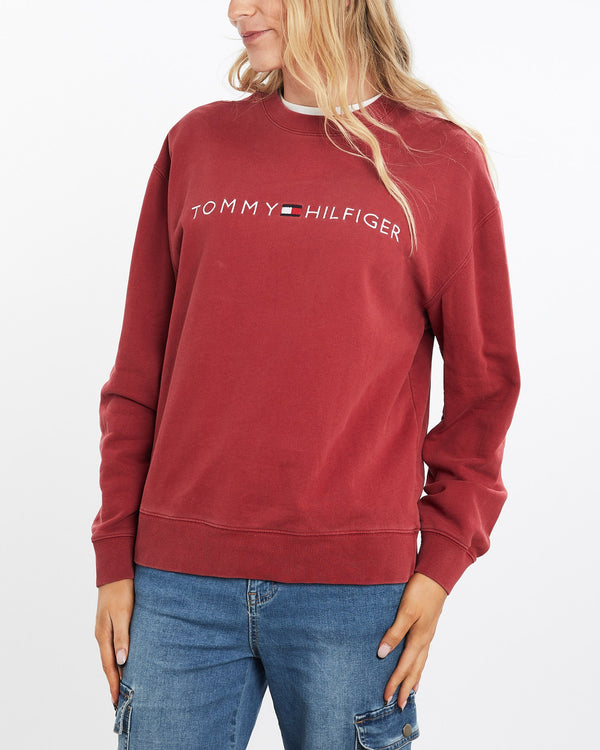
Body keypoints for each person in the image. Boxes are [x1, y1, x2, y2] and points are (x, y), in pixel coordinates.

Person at [92, 1, 521, 748]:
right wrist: (113, 554)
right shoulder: (197, 144)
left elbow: (485, 389)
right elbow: (137, 372)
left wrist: (442, 560)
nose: (236, 9)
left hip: (355, 596)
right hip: (176, 586)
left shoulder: (441, 161)